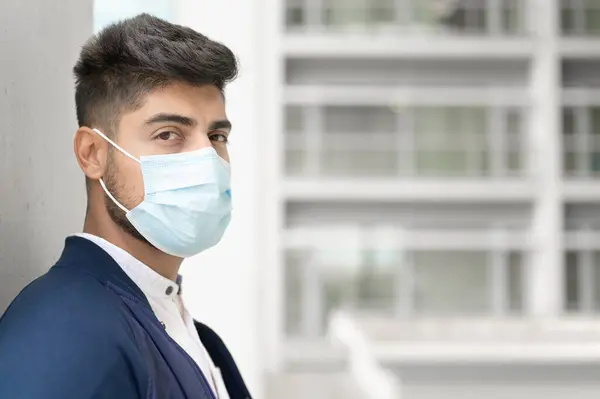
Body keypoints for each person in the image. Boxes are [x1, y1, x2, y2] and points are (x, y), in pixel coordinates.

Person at [0, 13, 250, 399]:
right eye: (168, 134)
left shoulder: (197, 340)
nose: (208, 158)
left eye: (217, 135)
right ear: (92, 153)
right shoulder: (65, 334)